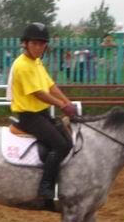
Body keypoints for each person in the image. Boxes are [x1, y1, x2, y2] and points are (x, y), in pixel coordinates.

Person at [9, 22, 76, 201]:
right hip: (29, 117)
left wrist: (67, 102)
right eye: (34, 43)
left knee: (68, 139)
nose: (38, 47)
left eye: (42, 44)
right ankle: (45, 187)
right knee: (60, 145)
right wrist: (62, 106)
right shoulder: (22, 65)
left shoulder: (36, 62)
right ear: (26, 43)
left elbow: (50, 85)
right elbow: (39, 93)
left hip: (43, 114)